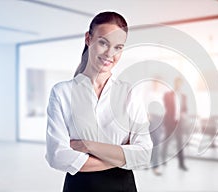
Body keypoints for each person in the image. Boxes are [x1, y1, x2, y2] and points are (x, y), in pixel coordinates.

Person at [45, 12, 152, 192]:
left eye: (118, 47)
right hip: (79, 187)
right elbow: (57, 156)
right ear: (88, 38)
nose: (110, 54)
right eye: (103, 42)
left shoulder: (129, 94)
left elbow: (144, 154)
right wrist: (122, 155)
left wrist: (88, 146)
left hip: (123, 187)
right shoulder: (62, 92)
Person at [162, 77, 188, 171]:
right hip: (170, 122)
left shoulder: (184, 96)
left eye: (180, 83)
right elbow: (166, 107)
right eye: (177, 83)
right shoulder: (168, 95)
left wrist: (183, 114)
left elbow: (185, 109)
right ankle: (163, 160)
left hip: (179, 123)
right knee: (166, 141)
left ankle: (181, 164)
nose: (179, 85)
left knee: (180, 144)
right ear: (175, 84)